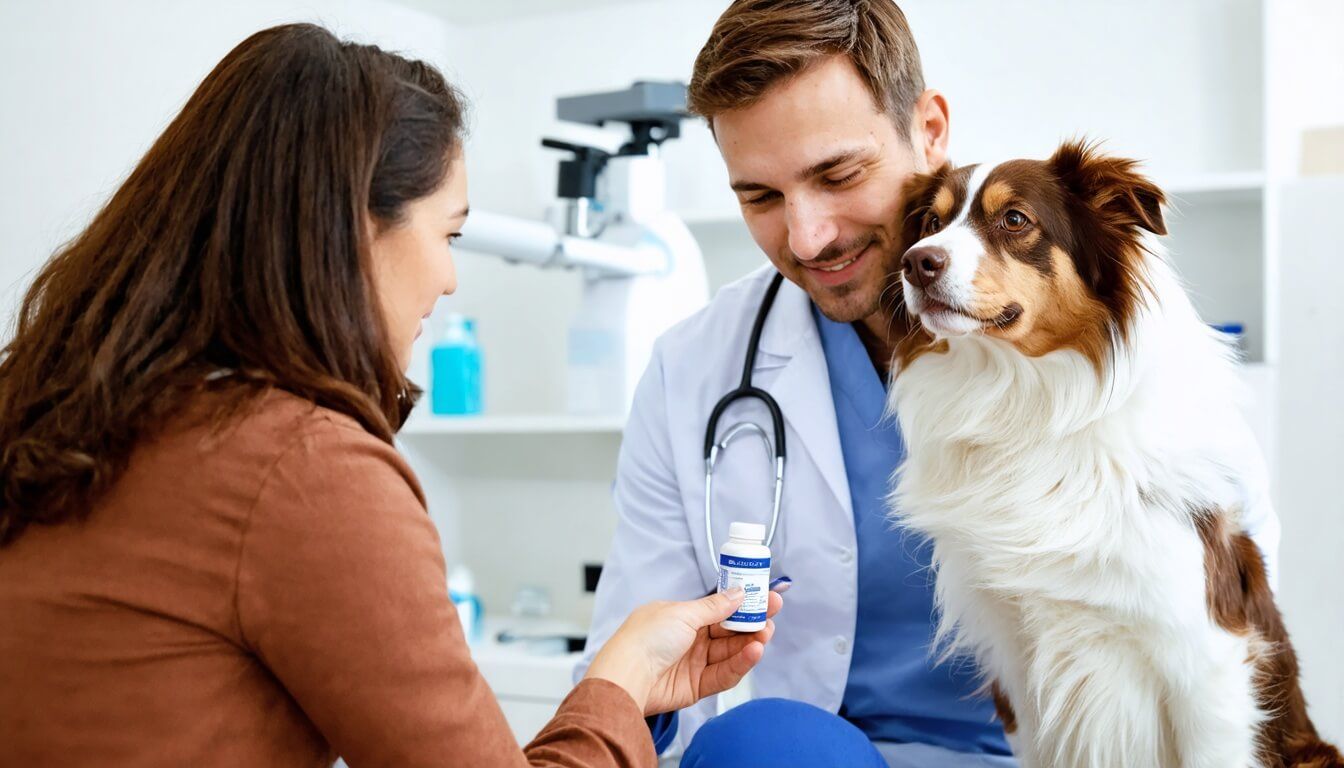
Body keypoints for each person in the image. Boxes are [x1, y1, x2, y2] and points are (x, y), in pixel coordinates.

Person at [0, 23, 780, 767]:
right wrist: (618, 687)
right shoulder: (299, 466)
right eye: (449, 234)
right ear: (350, 228)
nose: (448, 278)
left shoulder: (62, 414)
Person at [577, 2, 1283, 766]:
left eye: (838, 174)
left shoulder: (1133, 368)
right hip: (839, 756)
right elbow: (631, 671)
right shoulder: (694, 371)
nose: (808, 236)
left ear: (930, 131)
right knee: (760, 745)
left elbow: (1226, 640)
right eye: (760, 197)